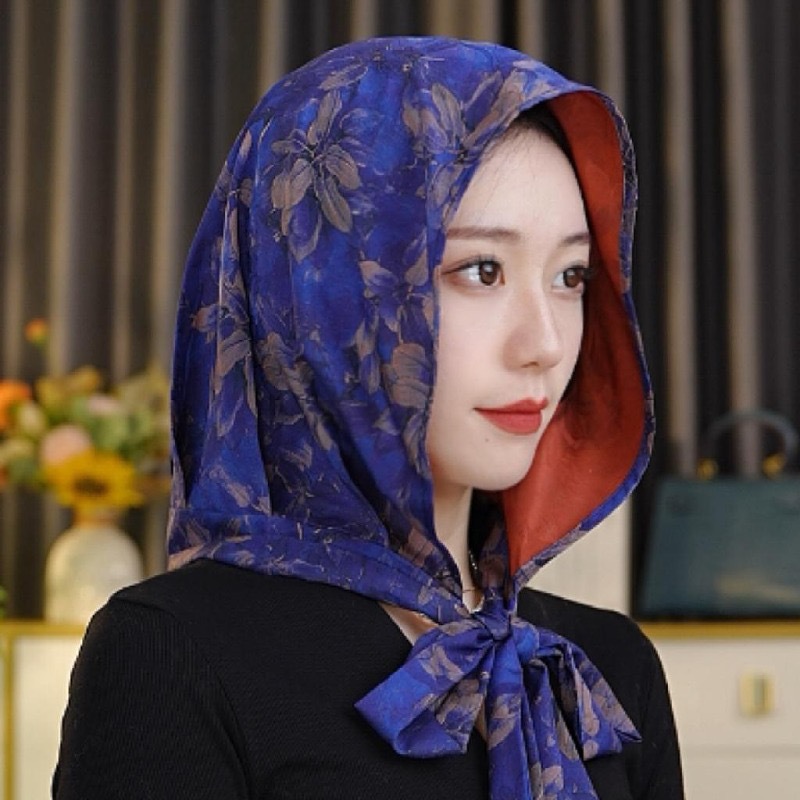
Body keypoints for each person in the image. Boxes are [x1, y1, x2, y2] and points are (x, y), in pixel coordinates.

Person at [53, 36, 683, 800]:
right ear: (323, 292)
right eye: (481, 270)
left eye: (570, 276)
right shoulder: (174, 652)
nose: (545, 345)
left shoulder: (607, 667)